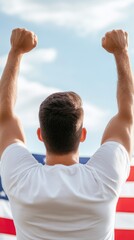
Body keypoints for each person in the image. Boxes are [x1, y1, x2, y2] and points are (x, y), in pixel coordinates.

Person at [0, 28, 133, 240]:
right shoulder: (104, 179)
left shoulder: (22, 180)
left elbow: (5, 116)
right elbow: (126, 116)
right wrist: (121, 52)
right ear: (83, 135)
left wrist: (16, 51)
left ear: (40, 134)